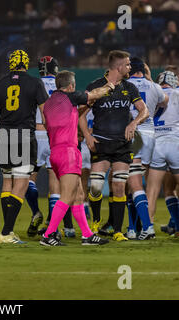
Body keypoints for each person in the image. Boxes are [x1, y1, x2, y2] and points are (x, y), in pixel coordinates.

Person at [0, 50, 48, 244]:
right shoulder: (35, 83)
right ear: (26, 63)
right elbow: (45, 112)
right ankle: (7, 232)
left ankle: (8, 230)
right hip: (24, 136)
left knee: (7, 182)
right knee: (22, 183)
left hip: (4, 136)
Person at [79, 50, 149, 241]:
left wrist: (134, 122)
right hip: (100, 144)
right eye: (127, 65)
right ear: (118, 67)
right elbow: (80, 114)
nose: (130, 68)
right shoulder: (96, 86)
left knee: (119, 187)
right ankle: (95, 222)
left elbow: (145, 111)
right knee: (95, 186)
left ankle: (117, 231)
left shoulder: (130, 87)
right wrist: (87, 135)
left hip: (122, 146)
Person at [40, 71, 111, 246]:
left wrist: (86, 106)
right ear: (71, 86)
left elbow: (69, 115)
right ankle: (48, 235)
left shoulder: (49, 104)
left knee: (78, 195)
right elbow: (95, 93)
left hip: (55, 153)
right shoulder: (71, 97)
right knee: (67, 196)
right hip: (68, 152)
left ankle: (87, 235)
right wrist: (110, 86)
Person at [26, 56, 73, 238]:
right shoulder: (61, 86)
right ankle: (53, 228)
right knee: (55, 183)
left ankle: (36, 212)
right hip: (55, 136)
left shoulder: (33, 84)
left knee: (29, 179)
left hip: (35, 134)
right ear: (56, 70)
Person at [123, 57, 168, 240]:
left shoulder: (124, 84)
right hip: (150, 135)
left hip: (134, 134)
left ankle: (142, 227)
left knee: (132, 182)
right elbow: (164, 102)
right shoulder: (154, 86)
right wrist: (149, 79)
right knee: (137, 181)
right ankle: (135, 228)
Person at [146, 70, 179, 237]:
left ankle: (148, 227)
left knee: (152, 190)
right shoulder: (177, 93)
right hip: (175, 142)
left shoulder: (152, 92)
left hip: (155, 143)